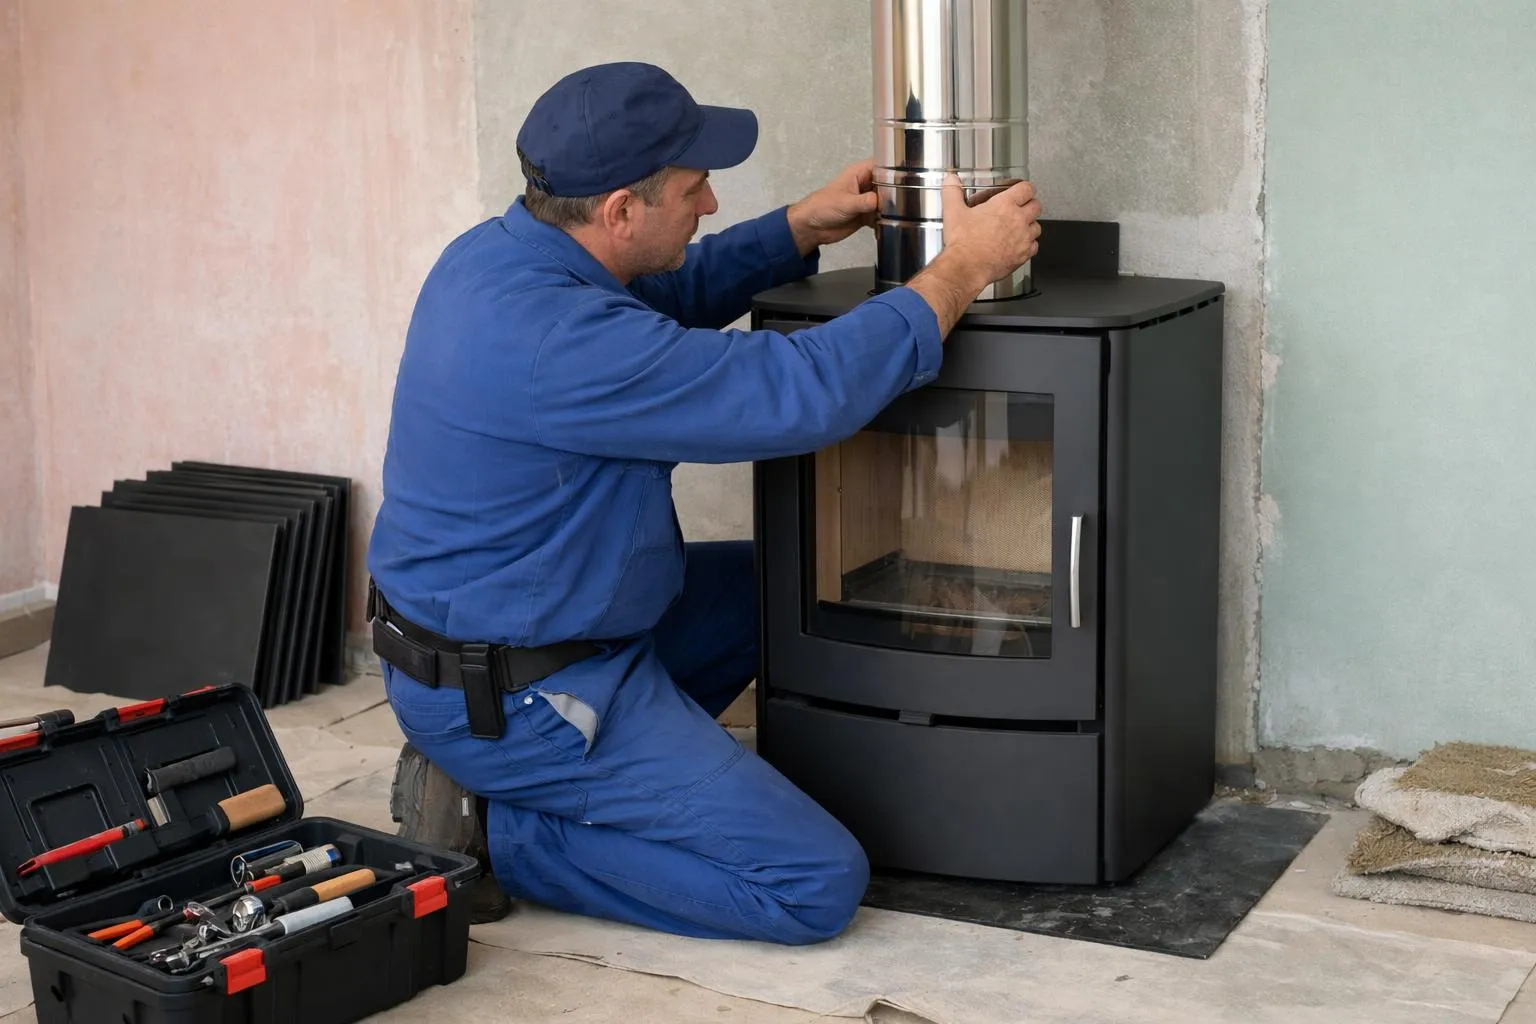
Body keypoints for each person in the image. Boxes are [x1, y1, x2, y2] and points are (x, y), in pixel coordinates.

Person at [368, 60, 1042, 945]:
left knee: (789, 593)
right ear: (619, 209)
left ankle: (583, 772)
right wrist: (961, 269)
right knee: (812, 883)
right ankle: (491, 826)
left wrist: (801, 227)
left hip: (518, 640)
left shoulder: (503, 257)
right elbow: (798, 392)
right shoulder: (558, 343)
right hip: (524, 696)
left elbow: (663, 295)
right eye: (695, 189)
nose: (712, 204)